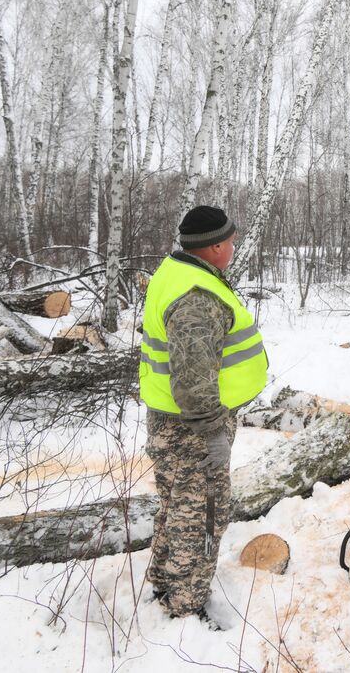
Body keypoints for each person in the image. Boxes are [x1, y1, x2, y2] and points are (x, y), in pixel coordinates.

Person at [139, 205, 268, 622]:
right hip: (193, 428)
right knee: (203, 515)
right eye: (229, 241)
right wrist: (213, 431)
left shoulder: (177, 272)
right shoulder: (196, 296)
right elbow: (194, 382)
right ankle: (185, 608)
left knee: (178, 506)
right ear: (214, 247)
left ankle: (163, 580)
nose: (233, 247)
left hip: (173, 421)